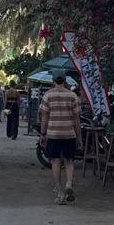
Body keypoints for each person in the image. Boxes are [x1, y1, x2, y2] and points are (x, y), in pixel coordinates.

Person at [39, 74, 83, 204]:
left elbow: (44, 118)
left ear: (53, 81)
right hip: (69, 133)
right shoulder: (72, 96)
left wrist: (42, 133)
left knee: (55, 162)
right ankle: (69, 183)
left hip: (53, 133)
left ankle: (60, 193)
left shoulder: (47, 95)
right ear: (65, 80)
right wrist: (79, 137)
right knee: (69, 161)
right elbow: (76, 120)